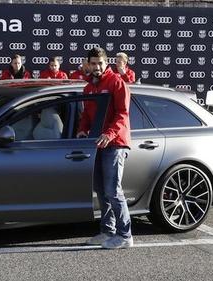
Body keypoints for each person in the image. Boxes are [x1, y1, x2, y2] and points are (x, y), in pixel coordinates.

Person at [77, 47, 132, 249]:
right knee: (101, 190)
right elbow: (86, 116)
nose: (97, 66)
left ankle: (125, 235)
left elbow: (122, 114)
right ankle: (107, 230)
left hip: (115, 143)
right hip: (97, 143)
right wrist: (82, 130)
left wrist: (109, 134)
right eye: (93, 63)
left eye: (100, 63)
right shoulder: (88, 88)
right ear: (88, 64)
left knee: (113, 190)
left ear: (106, 62)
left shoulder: (117, 82)